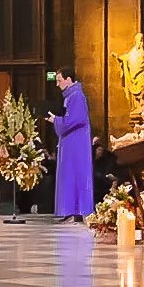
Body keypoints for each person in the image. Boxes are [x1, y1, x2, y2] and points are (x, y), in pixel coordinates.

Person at [49, 66, 95, 220]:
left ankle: (78, 210)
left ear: (68, 80)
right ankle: (71, 210)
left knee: (75, 175)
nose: (57, 84)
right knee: (70, 175)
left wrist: (56, 120)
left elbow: (75, 119)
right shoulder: (70, 96)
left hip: (76, 144)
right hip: (71, 142)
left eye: (59, 81)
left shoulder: (77, 95)